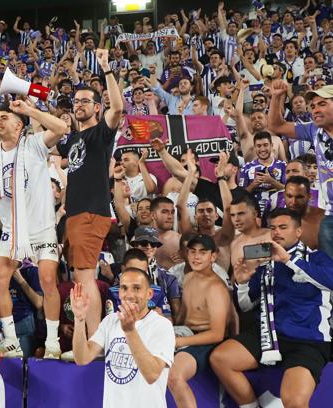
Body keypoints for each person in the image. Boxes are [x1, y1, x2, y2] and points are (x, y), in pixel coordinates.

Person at [0, 100, 67, 358]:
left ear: (19, 125)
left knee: (47, 280)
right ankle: (10, 341)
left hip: (41, 226)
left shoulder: (33, 144)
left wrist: (30, 110)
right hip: (13, 229)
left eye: (4, 118)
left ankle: (53, 342)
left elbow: (62, 128)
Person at [210, 209, 333, 408]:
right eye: (273, 228)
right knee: (221, 358)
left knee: (294, 400)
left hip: (308, 339)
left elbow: (330, 281)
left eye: (283, 227)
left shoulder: (317, 258)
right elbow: (246, 305)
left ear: (298, 232)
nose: (277, 232)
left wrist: (289, 261)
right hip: (269, 334)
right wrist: (242, 283)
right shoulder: (266, 264)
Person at [58, 48, 124, 338]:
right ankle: (87, 338)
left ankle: (95, 341)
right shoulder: (74, 138)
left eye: (86, 101)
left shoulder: (101, 133)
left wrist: (106, 67)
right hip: (74, 214)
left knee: (85, 279)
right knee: (77, 279)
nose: (79, 105)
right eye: (76, 101)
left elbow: (118, 109)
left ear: (98, 107)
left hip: (90, 213)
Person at [71, 271, 175, 408]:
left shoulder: (162, 326)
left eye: (136, 288)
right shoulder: (110, 321)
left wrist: (130, 331)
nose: (129, 294)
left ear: (149, 294)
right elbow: (82, 358)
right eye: (124, 288)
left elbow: (152, 375)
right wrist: (79, 319)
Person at [267, 80, 333, 259]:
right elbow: (276, 126)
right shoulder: (314, 130)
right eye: (312, 106)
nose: (315, 110)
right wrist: (276, 97)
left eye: (322, 104)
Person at [167, 234, 231, 408]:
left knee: (174, 376)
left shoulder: (216, 287)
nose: (196, 256)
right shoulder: (188, 278)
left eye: (202, 252)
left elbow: (218, 334)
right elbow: (183, 315)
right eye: (192, 251)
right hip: (185, 334)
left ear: (213, 256)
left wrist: (180, 341)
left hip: (206, 342)